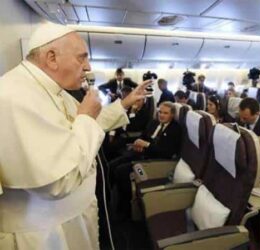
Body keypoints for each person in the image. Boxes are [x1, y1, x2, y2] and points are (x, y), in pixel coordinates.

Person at [0, 22, 151, 250]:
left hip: (71, 221)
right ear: (52, 58)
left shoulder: (51, 90)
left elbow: (89, 124)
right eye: (82, 58)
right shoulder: (15, 96)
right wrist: (87, 116)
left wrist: (124, 104)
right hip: (45, 234)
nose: (88, 66)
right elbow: (60, 180)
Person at [109, 102, 182, 219]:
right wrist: (137, 142)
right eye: (160, 112)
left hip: (153, 160)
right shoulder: (154, 123)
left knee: (121, 171)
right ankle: (109, 197)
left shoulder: (175, 129)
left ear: (172, 115)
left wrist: (146, 145)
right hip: (141, 153)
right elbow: (144, 135)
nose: (161, 115)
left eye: (165, 113)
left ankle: (125, 208)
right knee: (112, 165)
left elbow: (166, 152)